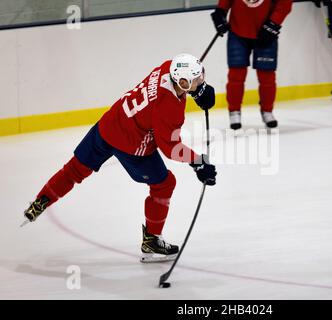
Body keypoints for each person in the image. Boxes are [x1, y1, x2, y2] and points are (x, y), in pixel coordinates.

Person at [23, 53, 217, 262]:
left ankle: (39, 202)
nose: (201, 81)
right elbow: (170, 147)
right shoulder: (169, 108)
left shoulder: (168, 66)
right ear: (183, 82)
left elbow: (178, 88)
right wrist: (198, 162)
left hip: (109, 124)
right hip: (131, 143)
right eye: (196, 79)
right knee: (165, 184)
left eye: (201, 76)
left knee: (74, 170)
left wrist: (197, 92)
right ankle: (151, 239)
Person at [211, 0, 293, 130]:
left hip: (266, 31)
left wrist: (273, 23)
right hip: (238, 31)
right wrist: (220, 12)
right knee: (236, 75)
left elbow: (284, 4)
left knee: (267, 76)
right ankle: (234, 111)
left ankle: (267, 111)